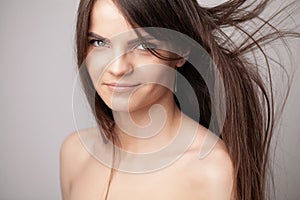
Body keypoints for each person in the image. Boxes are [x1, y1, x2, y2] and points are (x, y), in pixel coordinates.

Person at [60, 0, 299, 199]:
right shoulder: (74, 153)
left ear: (182, 51)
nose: (117, 67)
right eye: (99, 43)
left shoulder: (211, 169)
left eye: (143, 45)